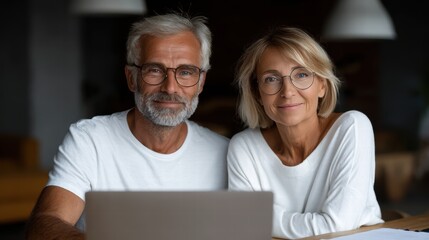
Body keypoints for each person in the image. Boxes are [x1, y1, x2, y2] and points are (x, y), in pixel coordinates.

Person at [25, 13, 229, 239]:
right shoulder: (90, 140)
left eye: (185, 72)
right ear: (131, 78)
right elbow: (45, 224)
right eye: (154, 70)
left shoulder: (226, 153)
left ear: (200, 82)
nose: (170, 87)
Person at [227, 27, 383, 239]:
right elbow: (242, 225)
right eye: (271, 79)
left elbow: (337, 227)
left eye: (301, 75)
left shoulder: (352, 127)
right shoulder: (244, 147)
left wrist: (261, 219)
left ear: (322, 85)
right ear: (257, 93)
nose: (288, 92)